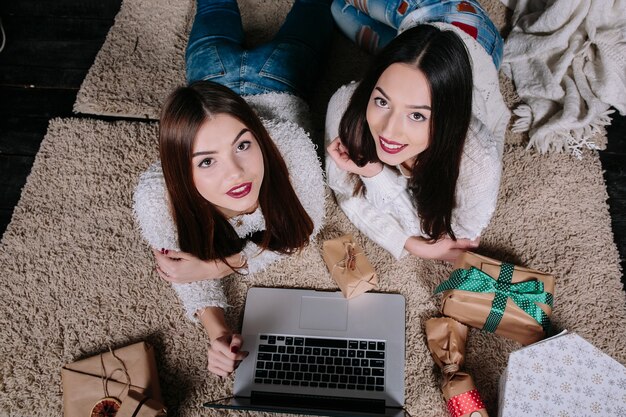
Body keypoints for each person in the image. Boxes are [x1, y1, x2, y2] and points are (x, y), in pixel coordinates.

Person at [133, 0, 333, 377]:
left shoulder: (287, 144)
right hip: (212, 85)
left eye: (243, 146)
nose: (237, 174)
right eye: (207, 161)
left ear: (258, 137)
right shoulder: (156, 196)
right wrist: (218, 332)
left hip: (274, 79)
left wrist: (221, 265)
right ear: (181, 169)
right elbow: (183, 272)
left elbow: (304, 228)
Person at [325, 0, 510, 263]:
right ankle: (400, 51)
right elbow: (344, 192)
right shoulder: (346, 104)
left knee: (339, 11)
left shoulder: (477, 161)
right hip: (419, 27)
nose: (389, 131)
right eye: (382, 101)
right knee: (335, 7)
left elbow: (446, 237)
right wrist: (414, 245)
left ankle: (399, 49)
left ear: (446, 119)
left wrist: (374, 175)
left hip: (469, 25)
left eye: (416, 115)